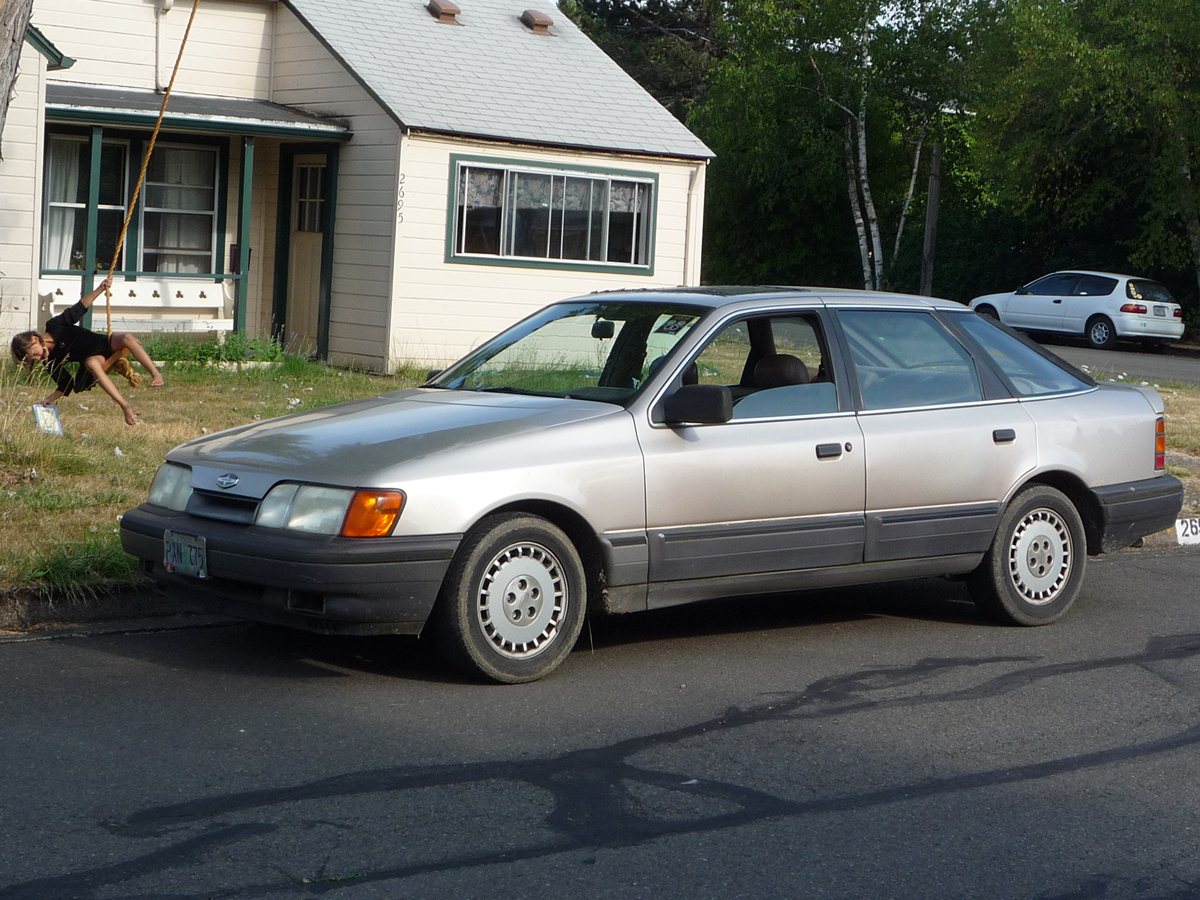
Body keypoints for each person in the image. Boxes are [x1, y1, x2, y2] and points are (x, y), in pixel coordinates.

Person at [9, 276, 164, 426]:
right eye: (33, 359)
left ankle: (155, 374)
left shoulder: (54, 325)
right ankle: (125, 406)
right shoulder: (50, 361)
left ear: (35, 339)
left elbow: (79, 308)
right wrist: (50, 399)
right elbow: (66, 383)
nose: (37, 358)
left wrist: (100, 289)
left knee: (127, 337)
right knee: (91, 363)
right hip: (96, 358)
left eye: (34, 354)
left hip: (104, 343)